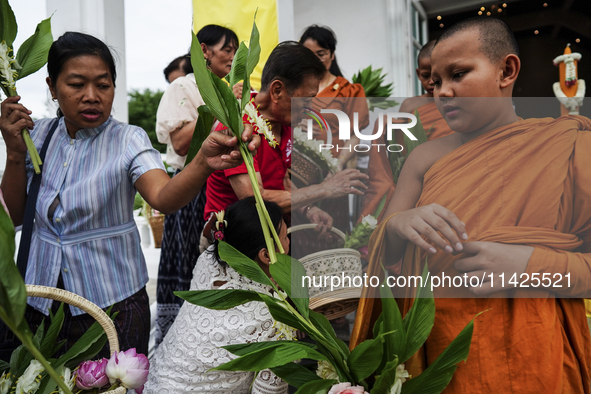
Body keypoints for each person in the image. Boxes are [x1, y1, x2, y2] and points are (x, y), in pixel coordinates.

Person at [353, 17, 591, 393]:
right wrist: (400, 225)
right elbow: (383, 250)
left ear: (506, 71)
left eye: (458, 74)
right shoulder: (424, 159)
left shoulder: (567, 146)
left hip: (539, 357)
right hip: (443, 357)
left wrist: (528, 265)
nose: (442, 92)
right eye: (434, 82)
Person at [0, 31, 259, 360]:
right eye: (76, 84)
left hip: (111, 306)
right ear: (52, 87)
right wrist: (13, 153)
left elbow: (163, 196)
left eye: (103, 85)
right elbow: (17, 216)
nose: (91, 96)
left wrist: (204, 161)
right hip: (39, 303)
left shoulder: (128, 139)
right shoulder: (35, 137)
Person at [204, 41, 369, 248]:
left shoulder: (286, 124)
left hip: (270, 237)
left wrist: (309, 210)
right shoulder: (236, 126)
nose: (309, 109)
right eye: (306, 101)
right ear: (277, 91)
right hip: (233, 244)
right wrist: (325, 189)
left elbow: (284, 184)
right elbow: (254, 200)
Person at [145, 197, 289, 394]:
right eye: (285, 237)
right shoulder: (275, 319)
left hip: (154, 384)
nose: (288, 242)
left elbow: (210, 234)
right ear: (265, 255)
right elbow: (268, 391)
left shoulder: (209, 261)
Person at [154, 25, 239, 346]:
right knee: (188, 261)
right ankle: (181, 342)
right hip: (190, 188)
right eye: (226, 49)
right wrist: (221, 111)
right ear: (204, 51)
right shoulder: (183, 87)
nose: (232, 56)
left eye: (234, 50)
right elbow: (178, 142)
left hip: (223, 187)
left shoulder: (226, 87)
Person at [359, 40, 453, 220]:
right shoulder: (411, 104)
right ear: (418, 74)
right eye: (426, 76)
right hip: (419, 179)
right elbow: (401, 149)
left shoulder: (458, 103)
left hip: (451, 175)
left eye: (438, 75)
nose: (432, 81)